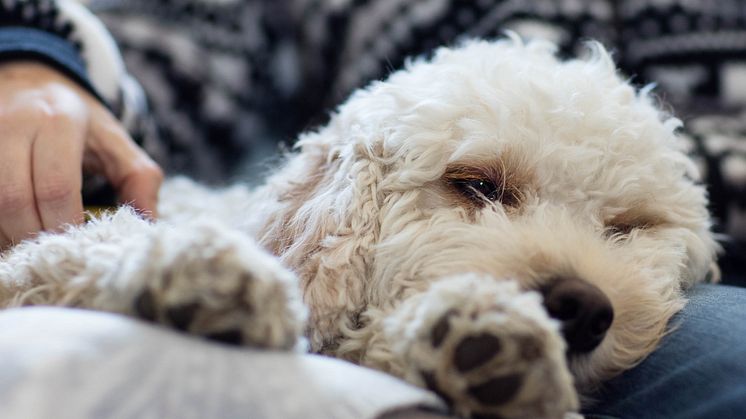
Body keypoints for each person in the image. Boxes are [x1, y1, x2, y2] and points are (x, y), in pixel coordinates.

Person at [1, 0, 745, 417]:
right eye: (480, 188)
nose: (579, 281)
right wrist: (40, 56)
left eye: (623, 227)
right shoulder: (368, 145)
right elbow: (176, 52)